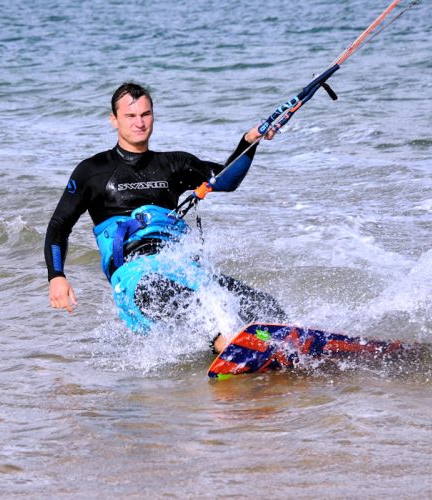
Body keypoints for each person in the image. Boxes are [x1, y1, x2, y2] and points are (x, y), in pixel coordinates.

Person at [44, 82, 286, 350]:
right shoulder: (92, 171)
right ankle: (225, 343)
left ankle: (285, 344)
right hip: (135, 277)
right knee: (167, 295)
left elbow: (226, 180)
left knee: (262, 305)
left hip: (180, 265)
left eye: (145, 114)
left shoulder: (174, 164)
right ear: (114, 120)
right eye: (130, 116)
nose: (139, 122)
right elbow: (59, 225)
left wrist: (248, 142)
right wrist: (56, 276)